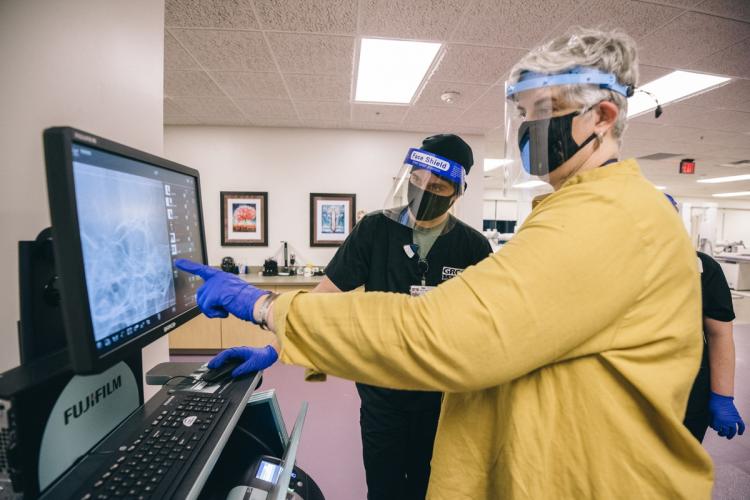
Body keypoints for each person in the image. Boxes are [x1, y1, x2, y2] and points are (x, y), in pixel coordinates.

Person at [178, 28, 714, 498]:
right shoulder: (574, 212)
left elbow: (441, 333)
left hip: (578, 467)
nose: (529, 133)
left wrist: (267, 307)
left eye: (542, 115)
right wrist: (280, 342)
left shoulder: (606, 217)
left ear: (602, 116)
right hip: (398, 399)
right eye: (523, 117)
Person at [311, 134, 492, 500]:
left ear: (456, 193)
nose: (424, 191)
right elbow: (324, 298)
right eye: (418, 179)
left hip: (443, 398)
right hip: (383, 392)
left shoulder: (473, 247)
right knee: (384, 487)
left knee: (432, 487)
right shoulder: (376, 230)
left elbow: (490, 320)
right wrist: (280, 334)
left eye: (437, 186)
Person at [665, 195, 745, 442]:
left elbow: (719, 333)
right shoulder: (614, 268)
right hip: (625, 391)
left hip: (689, 388)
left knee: (678, 467)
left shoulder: (703, 268)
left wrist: (722, 397)